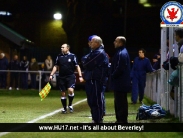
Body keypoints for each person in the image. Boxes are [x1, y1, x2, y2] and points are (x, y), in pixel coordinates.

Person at [49, 43, 84, 114]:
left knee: (70, 90)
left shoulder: (73, 56)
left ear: (67, 48)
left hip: (70, 76)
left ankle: (70, 104)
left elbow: (77, 66)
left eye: (63, 47)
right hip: (61, 77)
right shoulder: (59, 56)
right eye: (61, 47)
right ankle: (64, 108)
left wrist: (80, 76)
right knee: (63, 93)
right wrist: (51, 74)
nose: (61, 48)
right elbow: (56, 66)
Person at [82, 36, 109, 123]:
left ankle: (98, 119)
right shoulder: (94, 52)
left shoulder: (99, 52)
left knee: (96, 100)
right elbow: (84, 60)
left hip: (96, 79)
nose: (90, 43)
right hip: (91, 78)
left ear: (97, 43)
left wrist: (87, 62)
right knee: (91, 100)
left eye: (92, 42)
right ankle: (95, 118)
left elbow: (86, 63)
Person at [110, 36, 131, 124]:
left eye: (116, 41)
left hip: (120, 82)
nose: (114, 42)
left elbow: (120, 68)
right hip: (121, 81)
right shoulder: (122, 52)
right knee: (120, 101)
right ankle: (120, 119)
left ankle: (122, 120)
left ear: (120, 43)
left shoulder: (121, 53)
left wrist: (112, 75)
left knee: (120, 101)